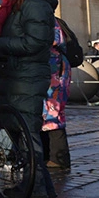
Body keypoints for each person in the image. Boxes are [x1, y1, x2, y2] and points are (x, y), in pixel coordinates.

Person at [0, 0, 58, 198]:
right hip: (17, 74)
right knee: (21, 131)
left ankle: (36, 189)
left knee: (28, 134)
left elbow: (37, 42)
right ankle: (39, 187)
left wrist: (0, 43)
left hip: (26, 76)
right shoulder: (19, 3)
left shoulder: (34, 4)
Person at [43, 18, 72, 170]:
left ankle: (58, 158)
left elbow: (55, 40)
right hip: (54, 68)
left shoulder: (49, 21)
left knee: (52, 114)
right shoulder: (53, 19)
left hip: (53, 70)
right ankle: (51, 156)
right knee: (49, 114)